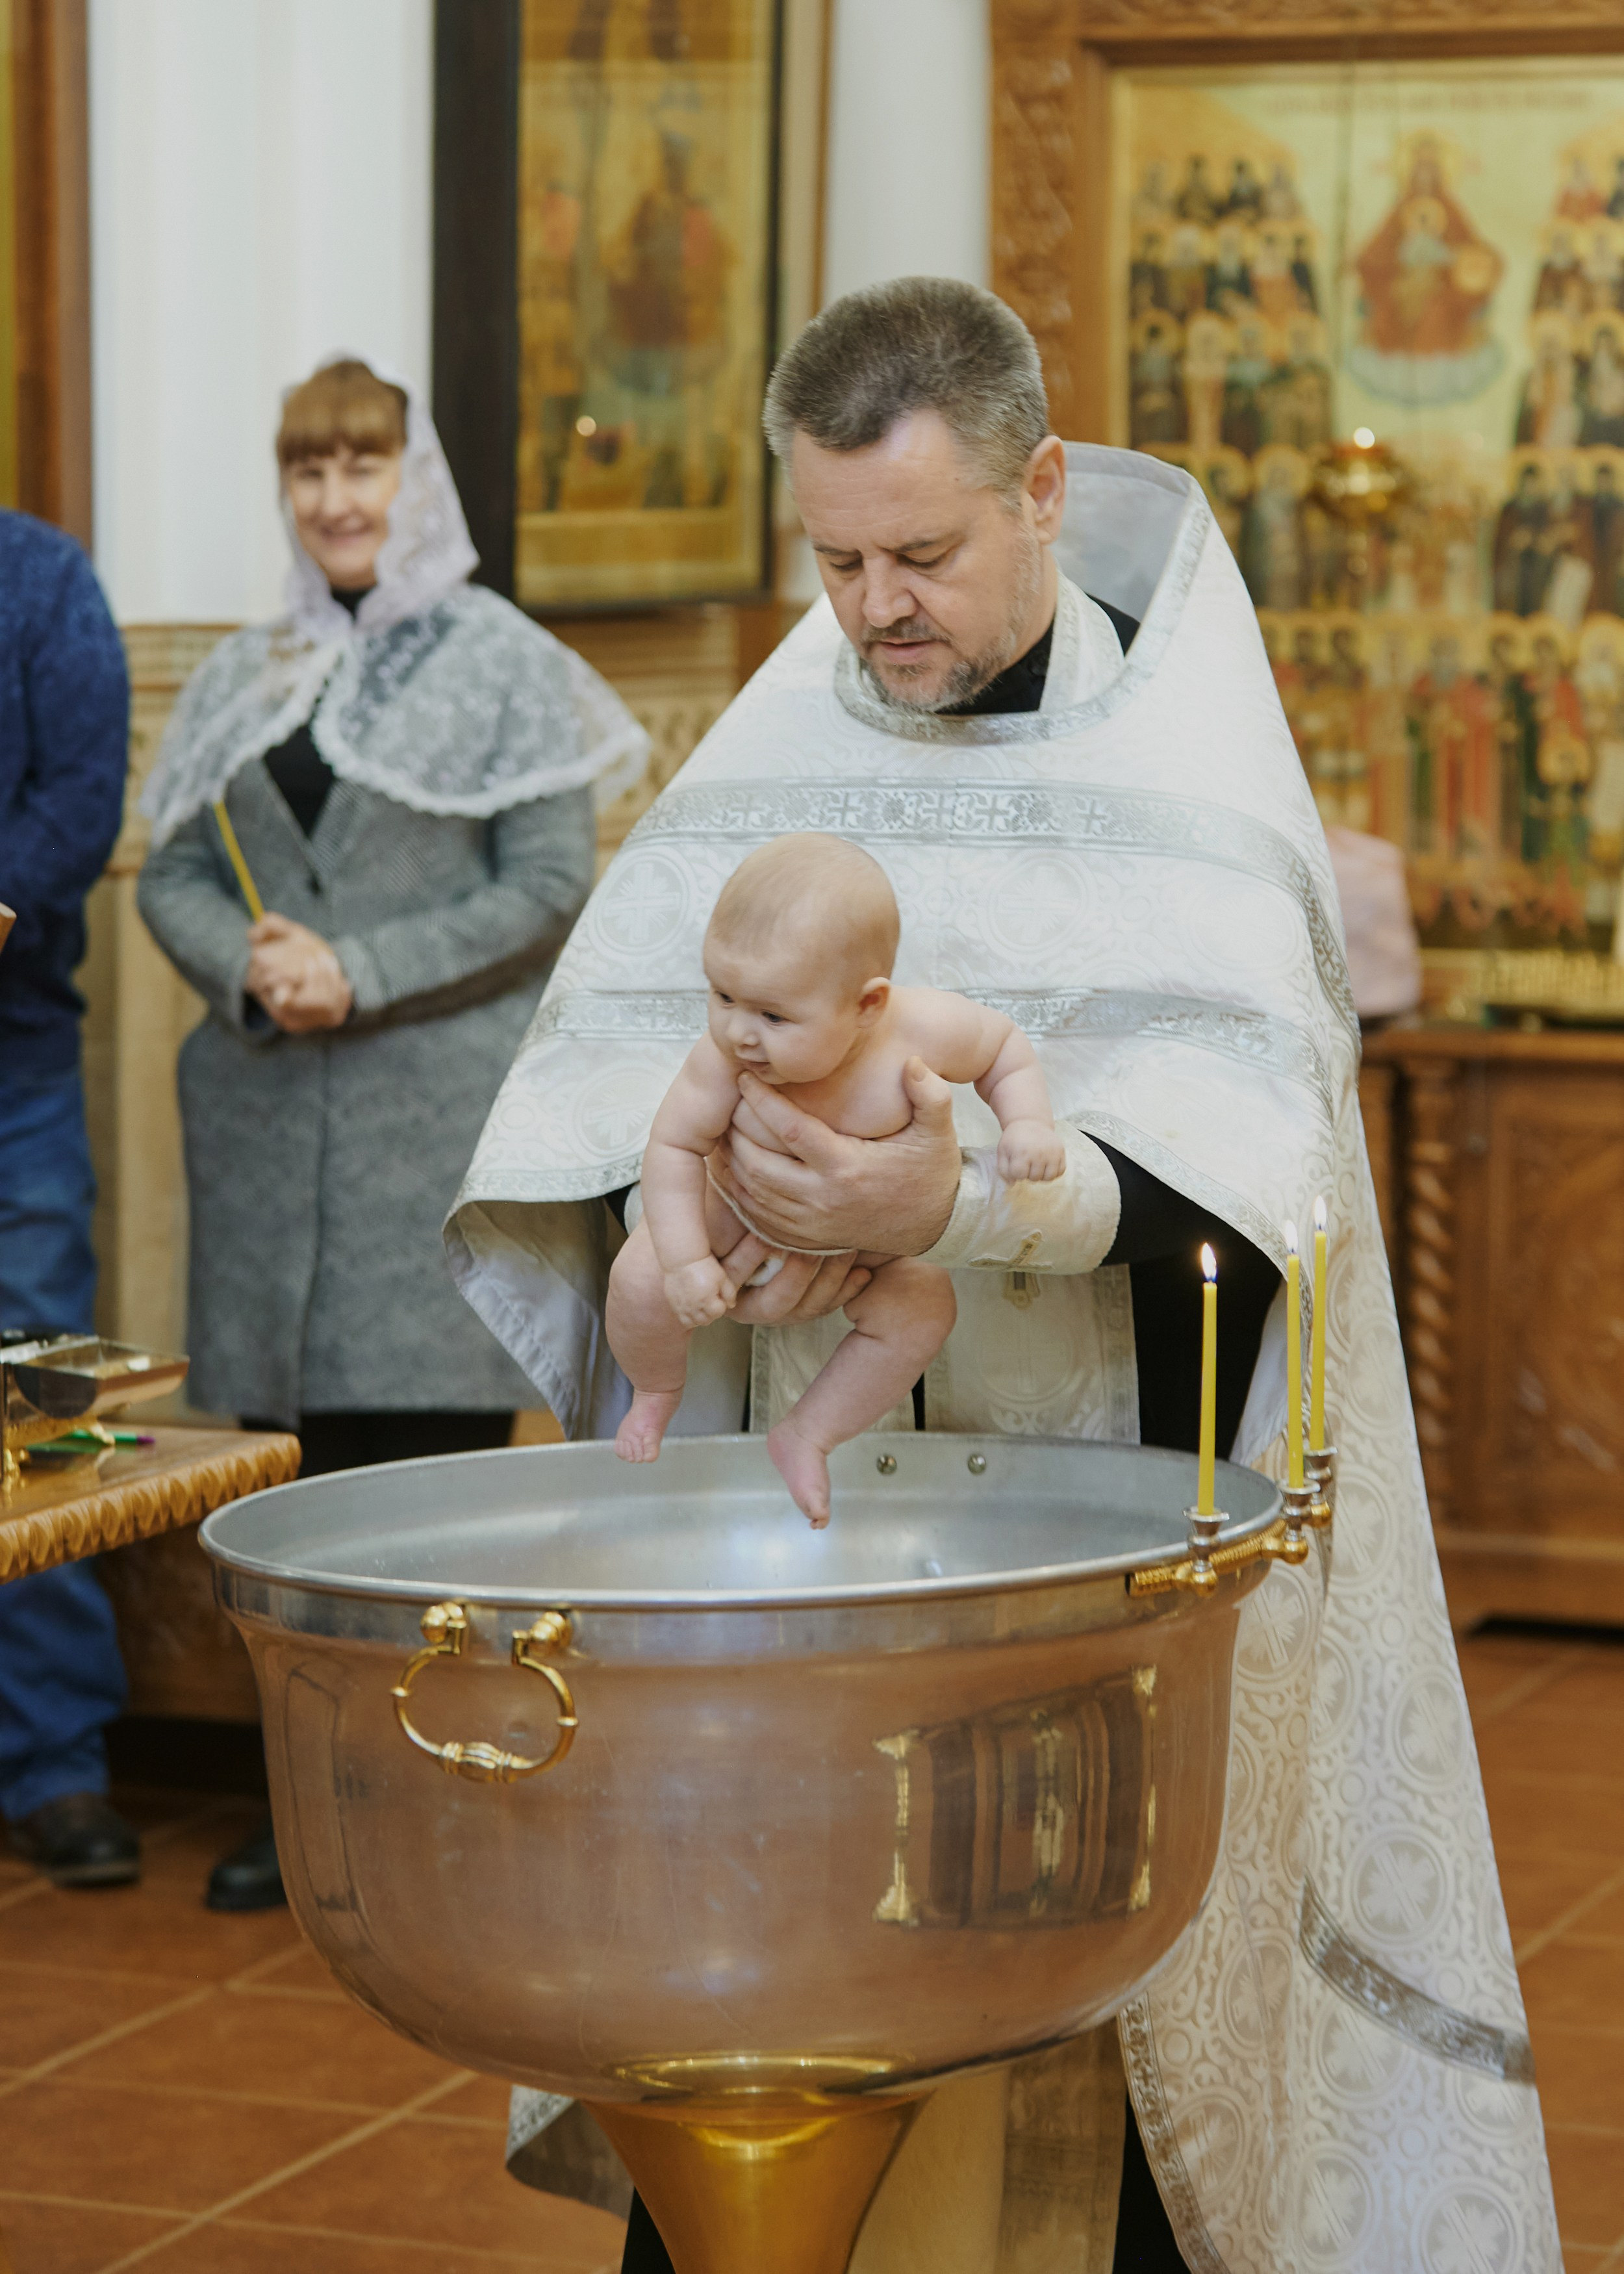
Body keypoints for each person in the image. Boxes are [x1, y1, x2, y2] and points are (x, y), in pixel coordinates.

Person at [450, 281, 1558, 2270]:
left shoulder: (1189, 762)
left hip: (1104, 1542)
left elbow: (1256, 1189)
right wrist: (673, 1213)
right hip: (817, 1590)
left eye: (923, 554)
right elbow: (596, 1092)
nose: (874, 609)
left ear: (1041, 489)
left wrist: (952, 1203)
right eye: (836, 557)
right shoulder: (793, 728)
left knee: (1094, 2089)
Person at [137, 357, 646, 1911]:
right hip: (267, 1122)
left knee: (419, 1491)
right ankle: (314, 1804)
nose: (338, 498)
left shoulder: (504, 661)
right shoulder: (253, 666)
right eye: (310, 471)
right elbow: (170, 873)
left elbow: (548, 883)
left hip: (425, 1126)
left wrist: (361, 968)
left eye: (366, 466)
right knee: (288, 1486)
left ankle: (438, 1798)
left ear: (418, 482)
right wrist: (251, 964)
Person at [608, 832, 1063, 1519]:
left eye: (771, 1013)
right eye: (721, 993)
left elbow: (1004, 1049)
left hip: (873, 1236)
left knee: (924, 1310)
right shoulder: (724, 1057)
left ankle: (808, 1433)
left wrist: (1026, 1123)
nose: (738, 1032)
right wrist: (683, 1260)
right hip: (734, 1210)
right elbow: (672, 1144)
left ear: (868, 1005)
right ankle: (654, 1391)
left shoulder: (923, 1027)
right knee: (639, 1279)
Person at [0, 509, 136, 1887]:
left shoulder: (42, 582)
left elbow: (80, 799)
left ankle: (55, 1763)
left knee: (42, 1398)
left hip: (14, 1070)